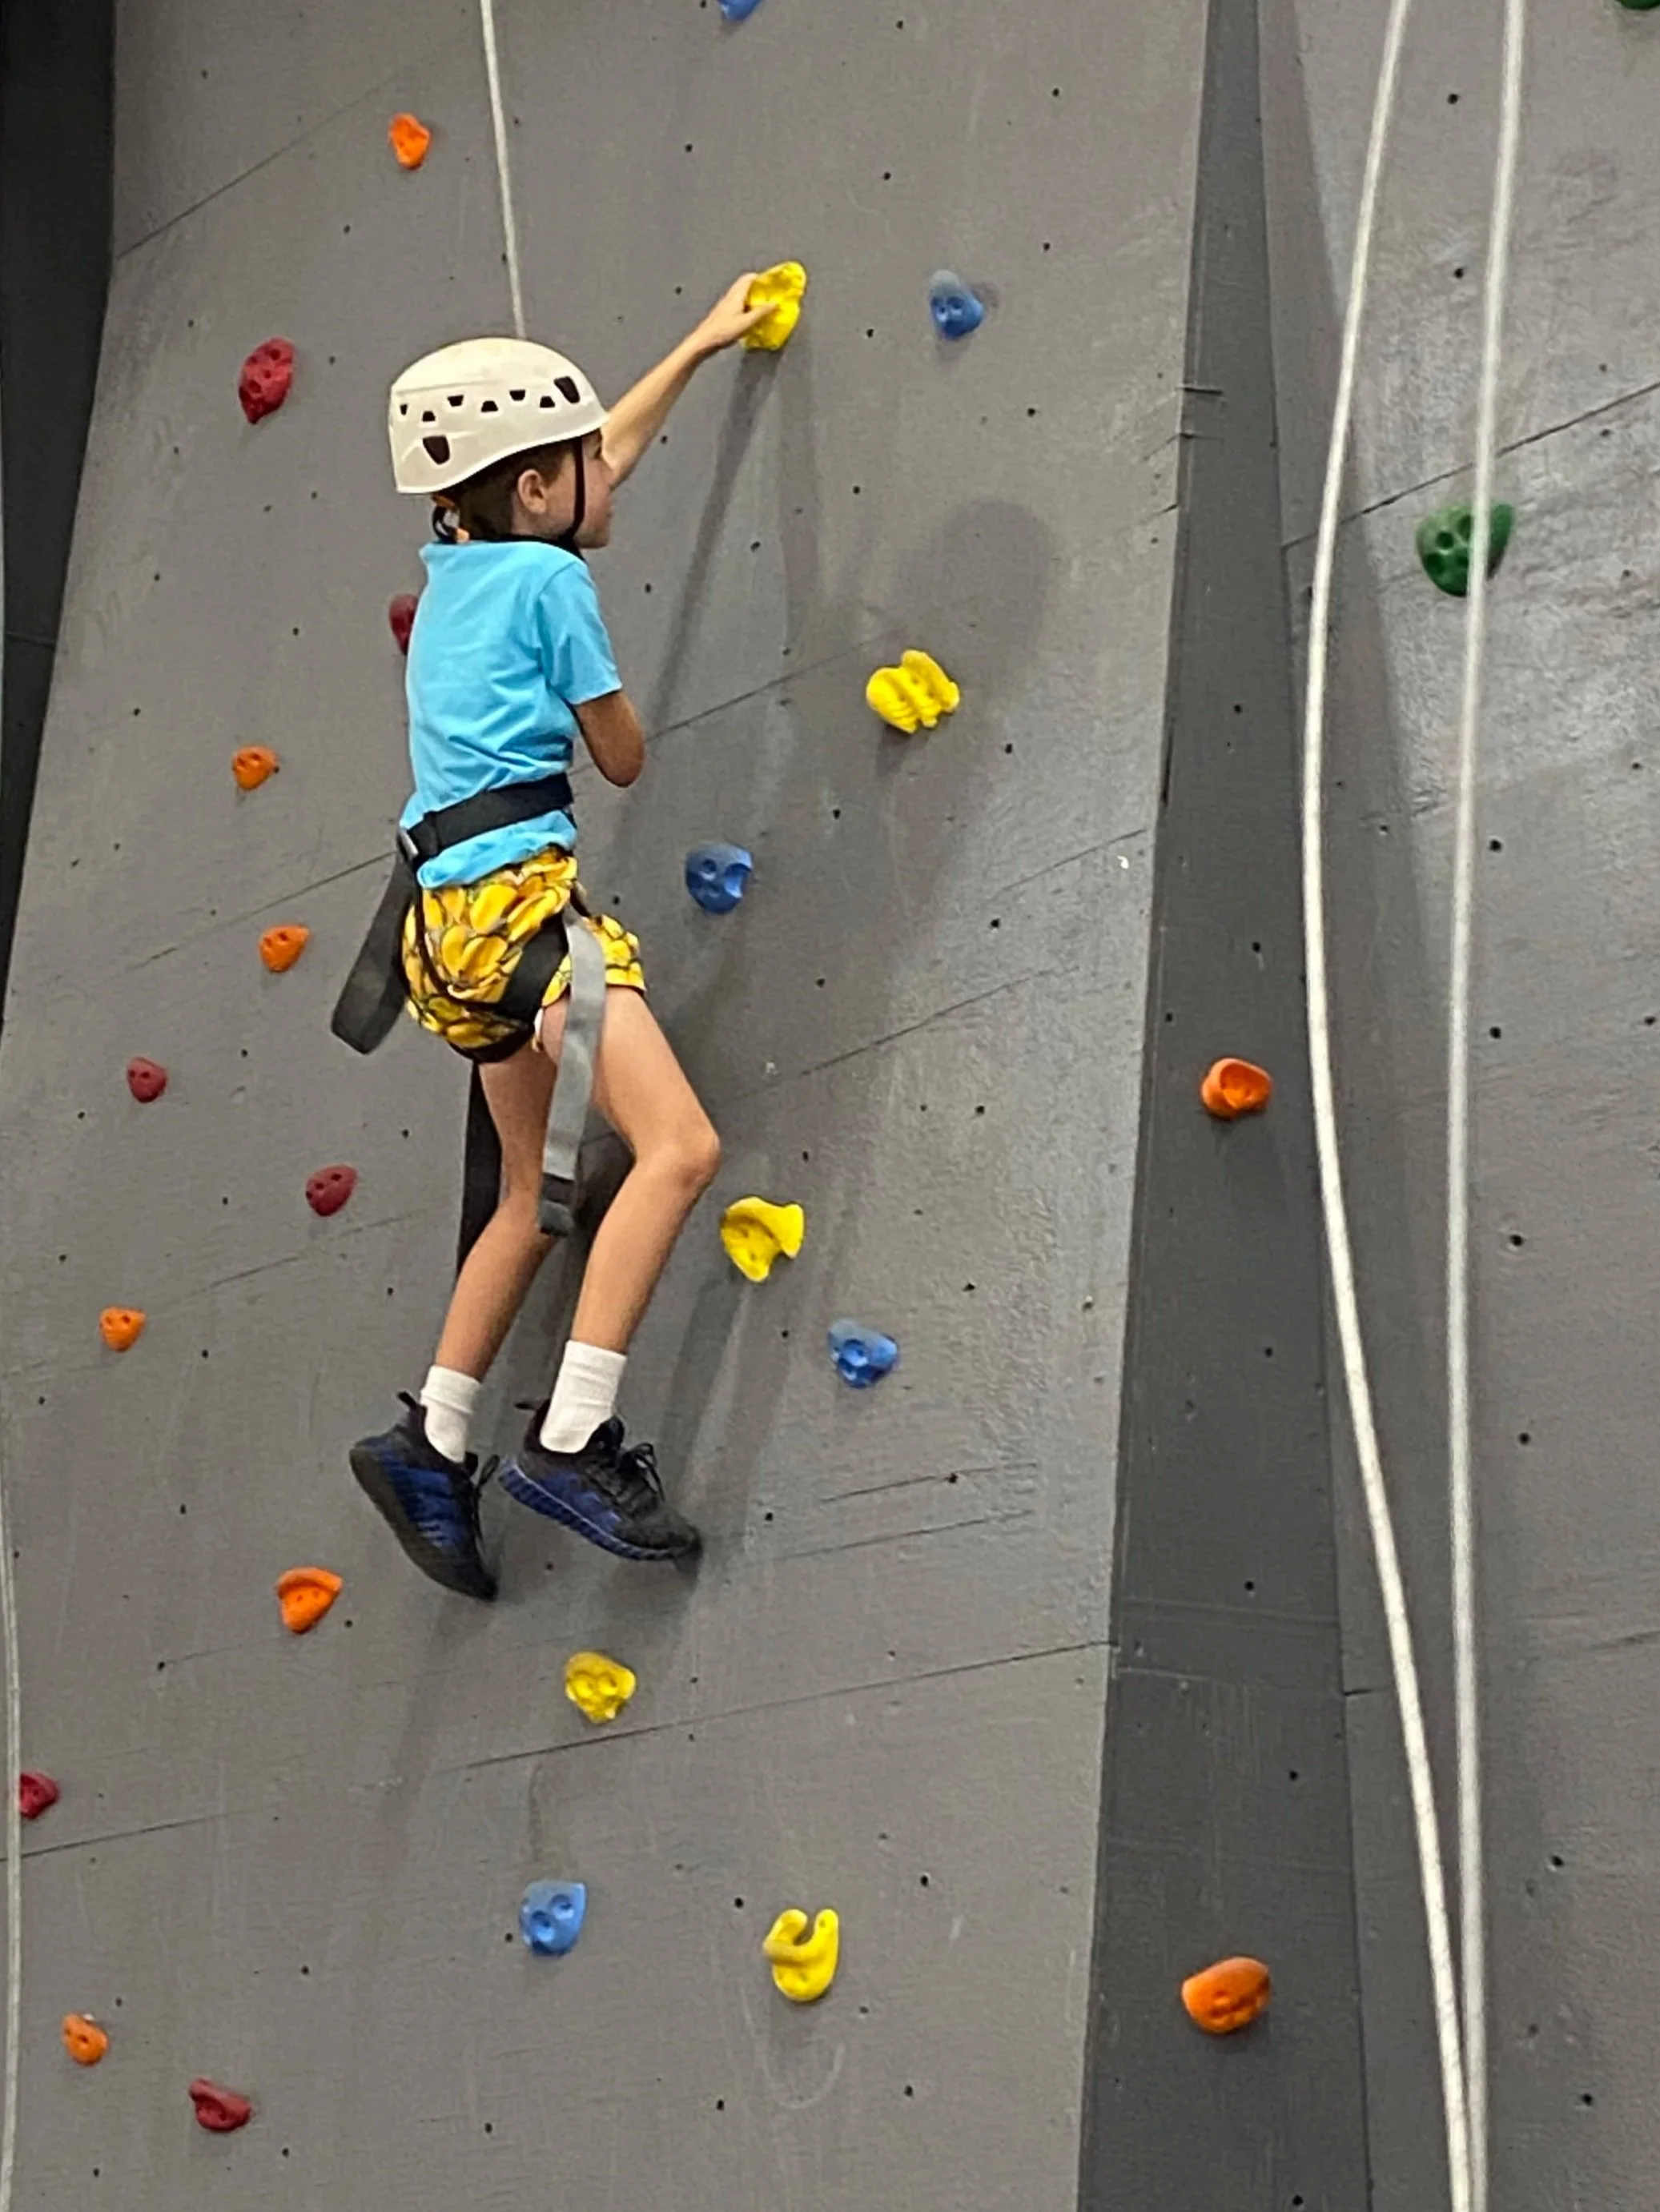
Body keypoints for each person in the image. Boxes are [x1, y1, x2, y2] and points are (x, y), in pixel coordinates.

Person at [347, 276, 774, 1601]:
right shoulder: (549, 582)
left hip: (441, 933)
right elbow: (625, 757)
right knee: (681, 1149)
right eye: (584, 468)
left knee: (534, 1195)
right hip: (532, 922)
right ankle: (574, 1435)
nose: (610, 478)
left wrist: (697, 343)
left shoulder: (463, 557)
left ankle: (433, 1439)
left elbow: (595, 457)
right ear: (536, 489)